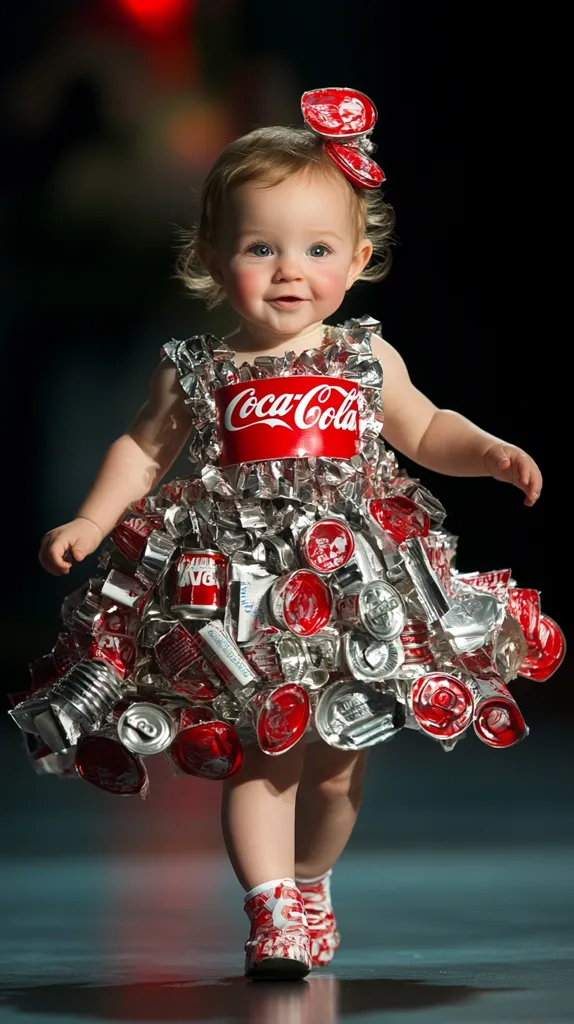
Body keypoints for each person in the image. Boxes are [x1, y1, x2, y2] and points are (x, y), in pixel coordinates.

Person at [27, 88, 555, 980]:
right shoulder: (199, 368)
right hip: (236, 588)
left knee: (340, 763)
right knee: (260, 754)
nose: (288, 272)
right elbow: (141, 449)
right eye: (260, 248)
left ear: (357, 259)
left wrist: (490, 451)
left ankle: (310, 879)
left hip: (350, 587)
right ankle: (270, 907)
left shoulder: (363, 357)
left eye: (316, 250)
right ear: (209, 257)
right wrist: (91, 516)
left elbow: (425, 430)